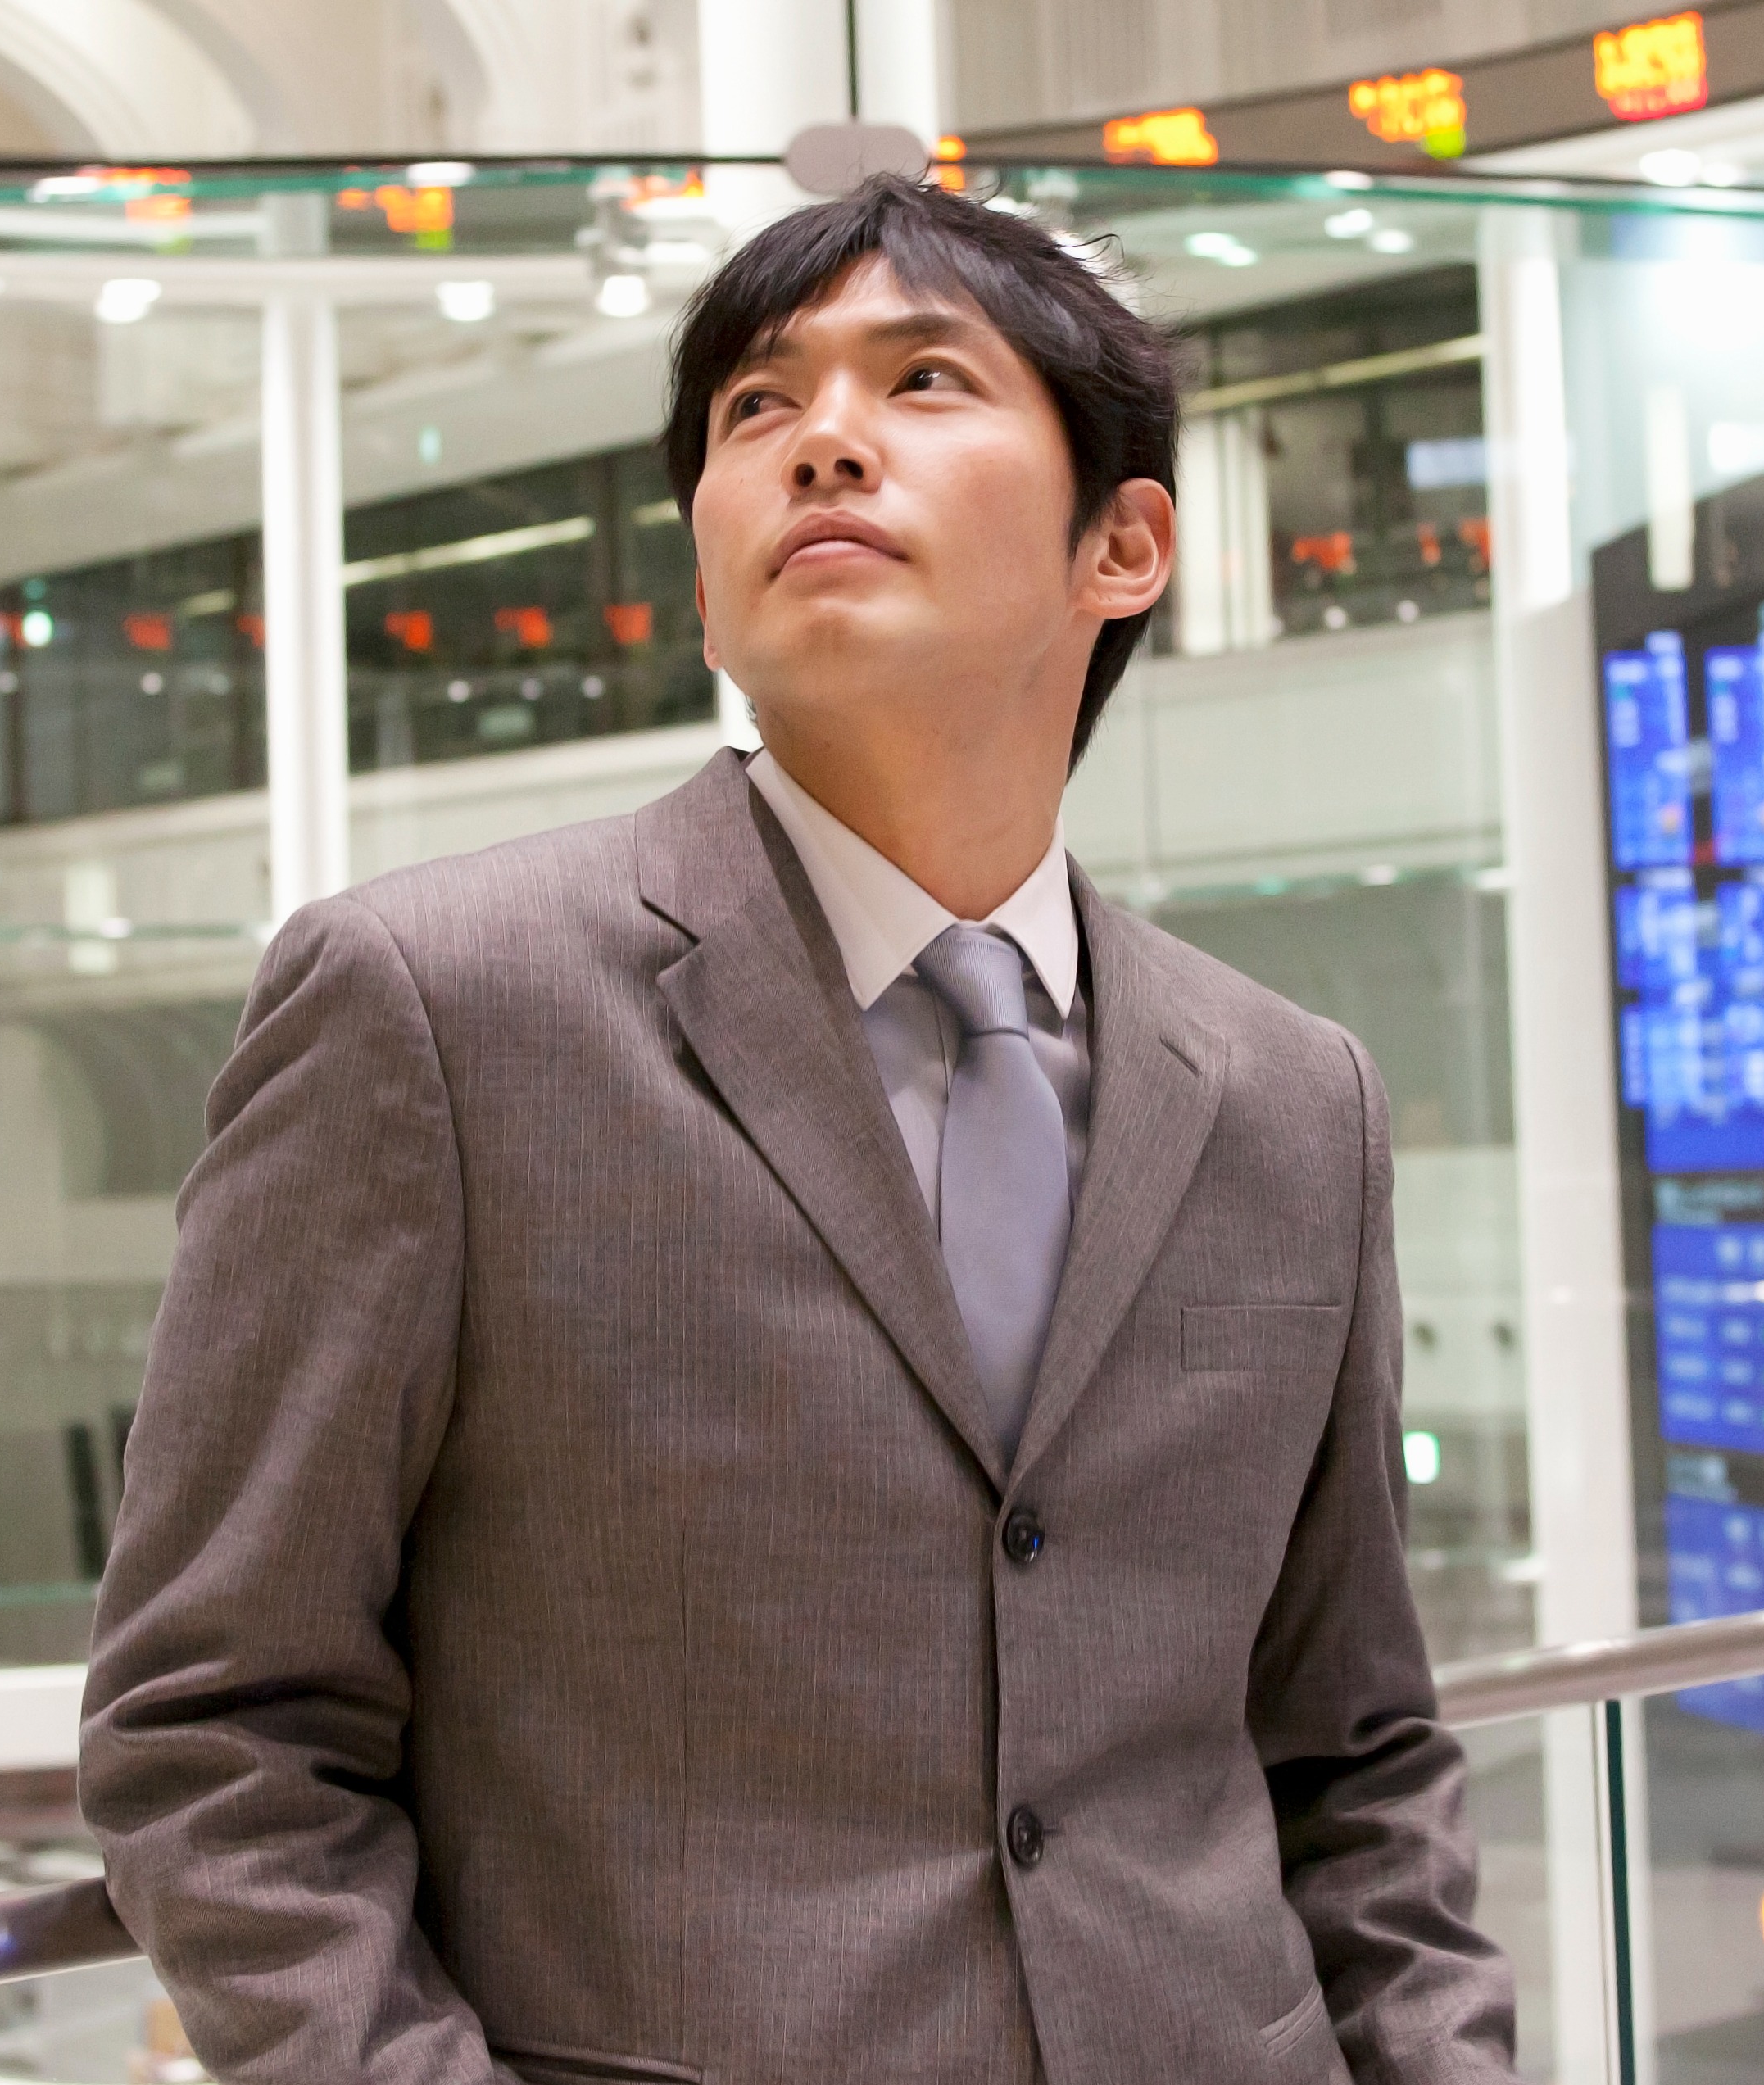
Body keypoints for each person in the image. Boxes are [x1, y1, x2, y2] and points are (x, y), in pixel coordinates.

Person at [78, 173, 1521, 2085]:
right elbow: (217, 1724)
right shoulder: (432, 1008)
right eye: (757, 409)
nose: (821, 437)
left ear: (1126, 544)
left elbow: (1352, 1746)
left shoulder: (1287, 1098)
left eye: (924, 379)